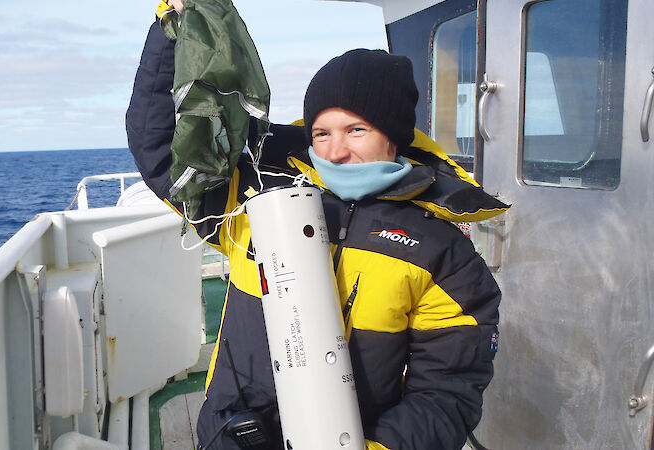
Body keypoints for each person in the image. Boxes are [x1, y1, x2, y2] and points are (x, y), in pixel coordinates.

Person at [126, 2, 506, 448]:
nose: (336, 151)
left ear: (395, 136)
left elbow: (447, 392)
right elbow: (161, 151)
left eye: (357, 130)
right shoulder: (256, 202)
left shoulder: (441, 250)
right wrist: (172, 29)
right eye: (322, 134)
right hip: (232, 436)